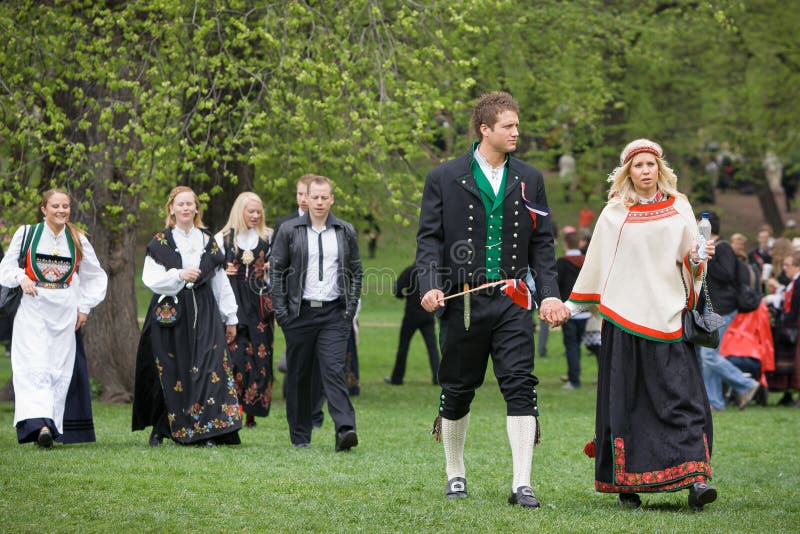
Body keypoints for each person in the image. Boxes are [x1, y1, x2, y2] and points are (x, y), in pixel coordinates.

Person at [416, 91, 570, 509]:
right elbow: (429, 239)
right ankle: (455, 473)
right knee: (458, 388)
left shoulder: (530, 177)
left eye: (517, 125)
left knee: (520, 385)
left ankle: (522, 482)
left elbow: (543, 243)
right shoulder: (444, 177)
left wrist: (551, 296)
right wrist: (430, 283)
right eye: (509, 126)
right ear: (485, 129)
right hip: (463, 299)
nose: (517, 132)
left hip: (514, 298)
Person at [567, 139, 718, 510]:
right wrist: (570, 307)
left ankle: (696, 480)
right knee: (627, 403)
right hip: (624, 321)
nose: (646, 170)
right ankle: (627, 484)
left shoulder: (680, 207)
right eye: (639, 165)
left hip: (668, 318)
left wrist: (700, 257)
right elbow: (597, 264)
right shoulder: (613, 214)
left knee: (682, 401)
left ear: (660, 168)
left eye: (651, 164)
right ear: (627, 172)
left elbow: (691, 260)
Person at [132, 186, 242, 446]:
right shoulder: (160, 242)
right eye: (180, 204)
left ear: (196, 208)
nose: (185, 208)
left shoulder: (207, 241)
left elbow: (220, 282)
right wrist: (178, 275)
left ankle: (207, 430)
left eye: (189, 204)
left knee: (207, 368)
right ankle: (163, 428)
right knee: (171, 369)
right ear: (171, 208)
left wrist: (231, 317)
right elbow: (151, 279)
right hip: (170, 311)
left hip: (203, 310)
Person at [0, 189, 107, 448]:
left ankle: (50, 425)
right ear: (44, 209)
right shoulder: (27, 233)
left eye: (66, 206)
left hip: (65, 310)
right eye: (56, 206)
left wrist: (84, 307)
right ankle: (39, 425)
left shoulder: (77, 238)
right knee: (33, 366)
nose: (62, 211)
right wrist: (21, 277)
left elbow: (96, 275)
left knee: (58, 370)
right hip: (33, 307)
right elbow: (5, 268)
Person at [270, 175, 363, 451]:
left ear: (332, 199)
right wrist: (282, 313)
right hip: (299, 313)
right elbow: (276, 272)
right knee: (298, 374)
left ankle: (345, 429)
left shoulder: (345, 231)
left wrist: (349, 310)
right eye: (315, 197)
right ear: (306, 199)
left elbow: (356, 272)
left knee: (334, 369)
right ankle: (300, 436)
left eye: (325, 197)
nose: (320, 202)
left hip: (334, 313)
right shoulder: (289, 231)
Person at [215, 192, 274, 428]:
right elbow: (211, 266)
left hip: (259, 301)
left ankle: (253, 410)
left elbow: (280, 264)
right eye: (251, 211)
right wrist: (222, 268)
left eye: (258, 211)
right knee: (236, 353)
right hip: (234, 298)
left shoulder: (268, 236)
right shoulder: (224, 237)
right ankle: (236, 406)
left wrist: (269, 267)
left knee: (261, 354)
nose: (255, 215)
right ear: (240, 211)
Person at [697, 212, 761, 412]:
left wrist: (707, 260)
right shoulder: (710, 248)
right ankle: (715, 402)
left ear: (707, 228)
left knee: (708, 355)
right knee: (707, 354)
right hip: (713, 307)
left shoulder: (722, 248)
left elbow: (726, 274)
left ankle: (746, 384)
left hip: (722, 307)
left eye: (699, 225)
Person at [384, 264, 440, 386]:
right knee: (432, 348)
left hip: (411, 314)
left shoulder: (410, 270)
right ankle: (437, 377)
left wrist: (404, 295)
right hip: (428, 314)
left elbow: (397, 289)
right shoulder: (431, 272)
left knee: (403, 347)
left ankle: (397, 378)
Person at [765, 250, 800, 406]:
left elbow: (794, 306)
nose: (785, 268)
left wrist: (785, 321)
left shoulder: (798, 282)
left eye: (788, 265)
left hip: (796, 326)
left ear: (797, 266)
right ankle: (788, 395)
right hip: (793, 325)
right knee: (791, 364)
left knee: (797, 363)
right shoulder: (794, 281)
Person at [556, 231, 588, 390]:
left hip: (568, 311)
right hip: (587, 311)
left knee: (572, 346)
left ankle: (574, 380)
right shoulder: (587, 261)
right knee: (585, 346)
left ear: (566, 244)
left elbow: (556, 284)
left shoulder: (562, 263)